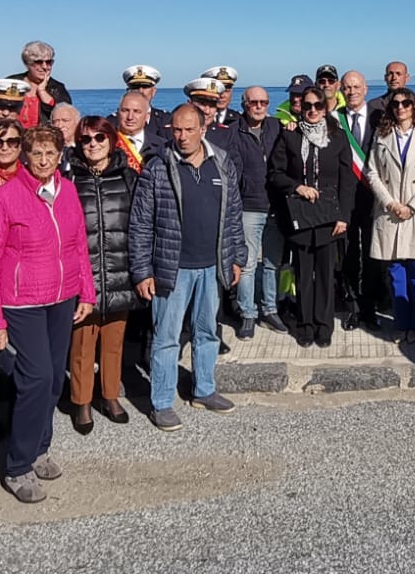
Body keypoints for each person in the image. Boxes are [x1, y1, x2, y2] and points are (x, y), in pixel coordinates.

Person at [0, 125, 95, 503]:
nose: (44, 160)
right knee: (35, 378)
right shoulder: (7, 197)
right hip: (22, 301)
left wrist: (87, 292)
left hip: (62, 298)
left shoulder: (68, 190)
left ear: (60, 154)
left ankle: (41, 446)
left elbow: (79, 243)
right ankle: (17, 465)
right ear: (25, 156)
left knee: (53, 381)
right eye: (37, 154)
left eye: (51, 153)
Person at [129, 105, 246, 431]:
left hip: (211, 267)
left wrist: (237, 256)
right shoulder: (157, 168)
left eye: (189, 130)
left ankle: (204, 390)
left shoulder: (221, 163)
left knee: (207, 332)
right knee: (166, 337)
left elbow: (233, 214)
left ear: (203, 128)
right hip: (172, 268)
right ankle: (162, 402)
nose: (181, 136)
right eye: (176, 130)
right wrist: (142, 270)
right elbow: (140, 225)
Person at [69, 117, 145, 432]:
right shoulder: (69, 179)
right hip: (83, 274)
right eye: (86, 139)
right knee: (82, 344)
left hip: (119, 268)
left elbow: (140, 224)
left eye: (100, 138)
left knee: (114, 341)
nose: (93, 144)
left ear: (112, 140)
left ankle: (110, 395)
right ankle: (82, 401)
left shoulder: (128, 177)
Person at [269, 88, 356, 347]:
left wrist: (344, 216)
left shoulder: (337, 137)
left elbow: (347, 181)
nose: (313, 111)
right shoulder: (290, 136)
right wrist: (297, 187)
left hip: (330, 218)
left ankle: (324, 325)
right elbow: (275, 173)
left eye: (318, 105)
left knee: (326, 274)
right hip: (302, 217)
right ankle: (305, 325)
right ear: (301, 108)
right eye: (307, 106)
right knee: (304, 275)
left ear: (325, 107)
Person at [365, 91, 415, 343]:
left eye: (406, 103)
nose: (400, 107)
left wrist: (412, 205)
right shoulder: (381, 134)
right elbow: (372, 172)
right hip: (391, 212)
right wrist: (390, 203)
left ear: (414, 105)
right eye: (395, 104)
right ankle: (401, 323)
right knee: (396, 272)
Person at [232, 87, 285, 337]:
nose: (259, 106)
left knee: (273, 263)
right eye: (254, 102)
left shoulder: (278, 127)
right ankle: (248, 313)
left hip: (276, 205)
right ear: (244, 104)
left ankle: (271, 309)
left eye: (264, 102)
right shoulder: (235, 131)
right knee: (248, 264)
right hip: (249, 206)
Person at [337, 71, 384, 330]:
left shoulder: (381, 119)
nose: (352, 91)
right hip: (345, 200)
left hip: (375, 198)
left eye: (356, 86)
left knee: (373, 255)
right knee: (349, 256)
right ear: (341, 91)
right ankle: (353, 307)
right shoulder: (335, 120)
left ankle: (370, 308)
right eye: (347, 87)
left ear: (366, 89)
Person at [10, 40, 71, 126]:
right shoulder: (13, 82)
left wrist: (42, 91)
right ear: (27, 63)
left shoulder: (57, 88)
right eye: (39, 62)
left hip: (43, 137)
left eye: (48, 62)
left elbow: (64, 116)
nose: (44, 66)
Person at [113, 92, 166, 172]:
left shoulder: (163, 146)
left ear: (147, 115)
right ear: (118, 113)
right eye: (125, 110)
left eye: (137, 111)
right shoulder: (106, 144)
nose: (130, 117)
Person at [122, 65, 172, 130]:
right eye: (135, 87)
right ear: (128, 91)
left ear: (153, 91)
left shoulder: (167, 119)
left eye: (145, 87)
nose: (140, 91)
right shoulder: (114, 121)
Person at [50, 104, 82, 179]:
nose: (60, 125)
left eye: (65, 120)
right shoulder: (48, 150)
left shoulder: (86, 148)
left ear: (78, 122)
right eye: (55, 121)